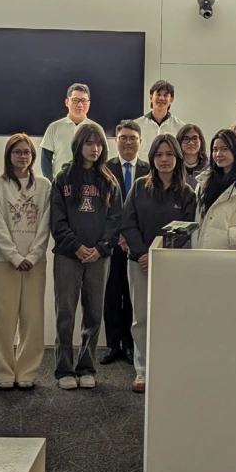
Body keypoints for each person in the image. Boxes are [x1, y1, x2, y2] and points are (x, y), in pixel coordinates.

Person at [120, 134, 197, 392]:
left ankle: (168, 367)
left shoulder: (187, 193)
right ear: (152, 159)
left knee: (170, 318)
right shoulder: (140, 186)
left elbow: (187, 231)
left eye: (169, 155)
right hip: (139, 263)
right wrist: (144, 254)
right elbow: (127, 222)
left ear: (178, 157)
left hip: (171, 265)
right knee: (141, 318)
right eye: (159, 155)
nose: (164, 160)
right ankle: (142, 371)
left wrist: (159, 256)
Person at [50, 123, 122, 390]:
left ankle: (87, 367)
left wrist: (101, 248)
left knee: (93, 313)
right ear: (79, 145)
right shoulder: (63, 178)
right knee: (65, 313)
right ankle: (64, 369)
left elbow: (115, 220)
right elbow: (57, 221)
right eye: (89, 143)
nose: (95, 149)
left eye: (99, 144)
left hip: (99, 258)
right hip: (68, 256)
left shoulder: (109, 180)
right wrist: (76, 246)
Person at [0, 134, 51, 391]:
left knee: (32, 316)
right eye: (17, 152)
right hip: (4, 261)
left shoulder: (44, 185)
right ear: (8, 155)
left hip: (35, 262)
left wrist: (33, 255)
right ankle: (3, 371)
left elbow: (46, 223)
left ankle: (27, 371)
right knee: (2, 316)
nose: (23, 156)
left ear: (33, 156)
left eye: (27, 152)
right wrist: (14, 255)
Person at [101, 121, 149, 366]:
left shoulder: (149, 169)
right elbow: (104, 208)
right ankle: (112, 345)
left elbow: (145, 210)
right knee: (111, 294)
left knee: (132, 296)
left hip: (136, 244)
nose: (128, 142)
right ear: (116, 141)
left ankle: (130, 345)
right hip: (111, 243)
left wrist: (131, 238)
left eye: (132, 138)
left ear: (140, 141)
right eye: (123, 137)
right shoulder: (105, 168)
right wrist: (116, 235)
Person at [41, 83, 101, 180]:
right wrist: (51, 184)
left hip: (89, 185)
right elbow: (45, 160)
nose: (80, 104)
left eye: (84, 101)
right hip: (60, 184)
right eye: (75, 100)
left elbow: (102, 159)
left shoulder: (96, 129)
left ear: (89, 103)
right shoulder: (54, 127)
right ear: (66, 102)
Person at [132, 80, 186, 158]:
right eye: (158, 94)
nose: (161, 98)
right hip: (144, 169)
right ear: (151, 97)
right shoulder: (137, 125)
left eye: (165, 95)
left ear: (171, 99)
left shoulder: (180, 127)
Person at [177, 123, 209, 188]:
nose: (191, 143)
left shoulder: (210, 167)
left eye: (195, 139)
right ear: (179, 142)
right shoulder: (174, 168)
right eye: (186, 139)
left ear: (201, 141)